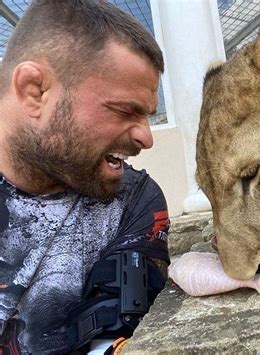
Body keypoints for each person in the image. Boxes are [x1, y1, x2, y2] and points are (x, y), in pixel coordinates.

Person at [0, 1, 170, 354]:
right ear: (34, 91)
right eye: (126, 110)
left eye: (147, 116)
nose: (146, 138)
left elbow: (114, 332)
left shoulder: (134, 202)